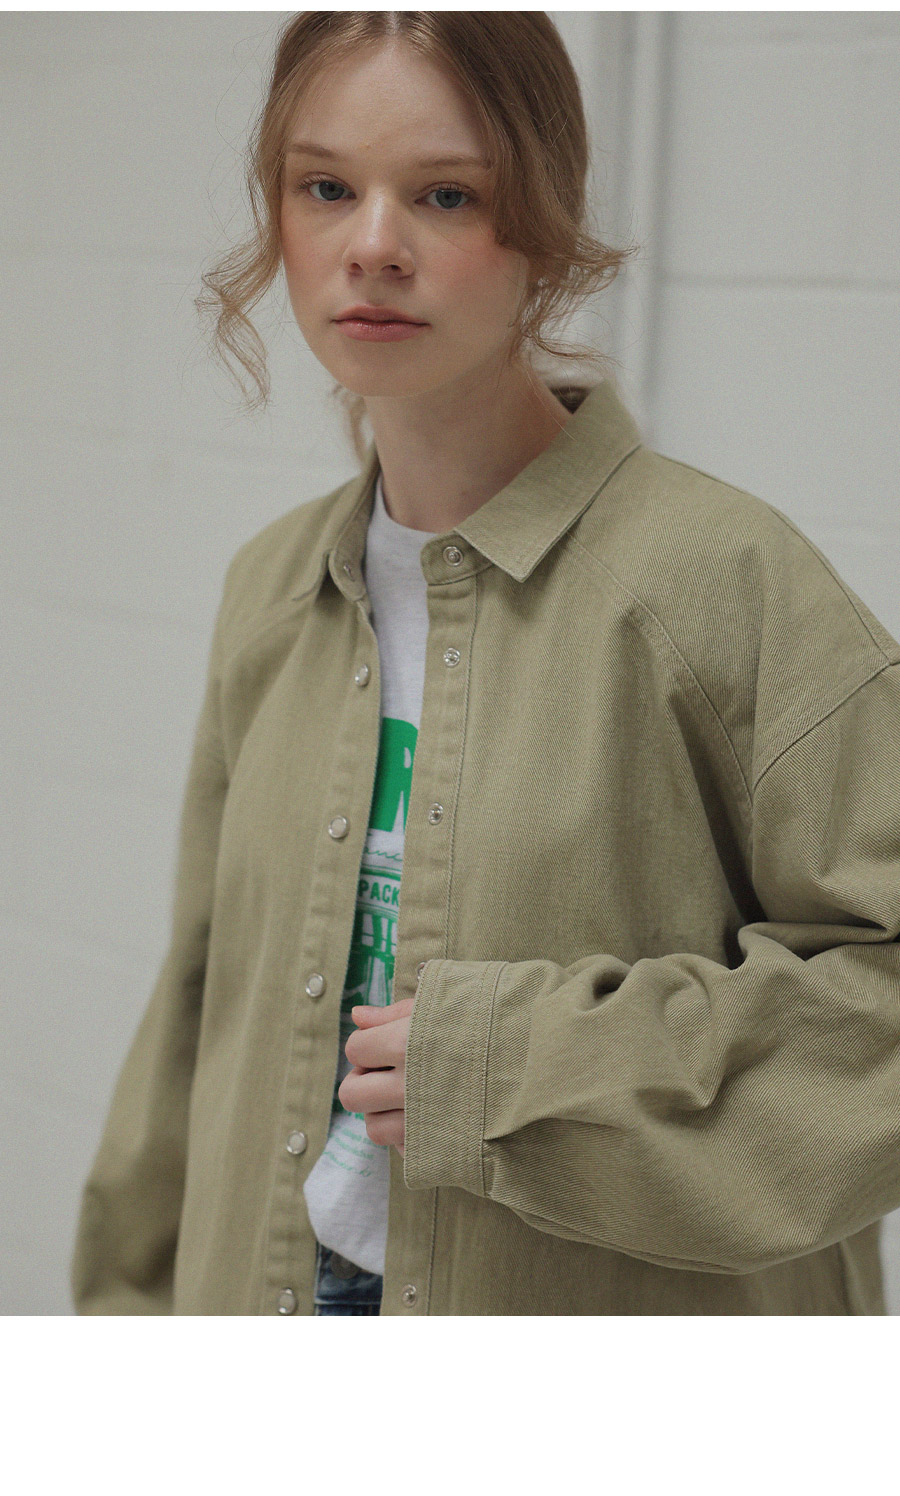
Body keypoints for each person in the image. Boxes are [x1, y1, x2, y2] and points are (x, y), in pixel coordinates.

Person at [70, 11, 900, 1317]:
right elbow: (200, 1005)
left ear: (545, 227)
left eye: (445, 194)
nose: (373, 244)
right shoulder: (272, 590)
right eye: (326, 188)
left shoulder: (721, 585)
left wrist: (507, 1068)